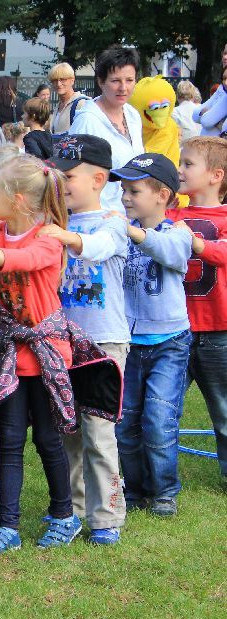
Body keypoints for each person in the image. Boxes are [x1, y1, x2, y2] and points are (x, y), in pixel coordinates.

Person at [0, 154, 87, 553]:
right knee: (10, 440)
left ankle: (65, 516)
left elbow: (27, 261)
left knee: (49, 441)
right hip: (12, 353)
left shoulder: (48, 237)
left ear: (16, 199)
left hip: (47, 353)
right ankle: (7, 526)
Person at [39, 134, 130, 542]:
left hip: (104, 343)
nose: (61, 183)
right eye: (56, 174)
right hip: (62, 343)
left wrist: (68, 240)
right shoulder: (56, 224)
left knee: (98, 432)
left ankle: (107, 517)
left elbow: (97, 248)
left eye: (69, 175)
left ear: (99, 178)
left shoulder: (114, 222)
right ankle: (73, 511)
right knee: (67, 430)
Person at [111, 154, 193, 519]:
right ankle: (136, 489)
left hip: (169, 343)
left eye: (134, 190)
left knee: (159, 421)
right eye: (124, 190)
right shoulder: (120, 232)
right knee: (125, 421)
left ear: (162, 194)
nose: (126, 197)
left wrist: (133, 233)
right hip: (128, 343)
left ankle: (164, 491)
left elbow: (169, 253)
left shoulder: (178, 233)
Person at [166, 136, 227, 485]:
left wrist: (195, 241)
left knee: (223, 411)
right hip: (173, 330)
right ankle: (155, 479)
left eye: (188, 164)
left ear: (216, 175)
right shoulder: (171, 213)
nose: (180, 170)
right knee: (161, 408)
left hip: (219, 330)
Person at [68, 46, 144, 214]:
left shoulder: (133, 115)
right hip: (100, 216)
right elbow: (73, 174)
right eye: (115, 81)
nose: (123, 88)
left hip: (131, 215)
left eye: (129, 80)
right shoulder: (87, 120)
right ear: (101, 81)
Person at [48, 62, 90, 137]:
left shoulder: (82, 103)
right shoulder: (58, 106)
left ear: (72, 80)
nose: (58, 84)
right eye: (55, 80)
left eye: (63, 79)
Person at [194, 65, 227, 137]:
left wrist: (216, 123)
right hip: (208, 144)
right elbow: (196, 115)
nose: (226, 83)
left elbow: (207, 121)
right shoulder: (221, 91)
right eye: (224, 79)